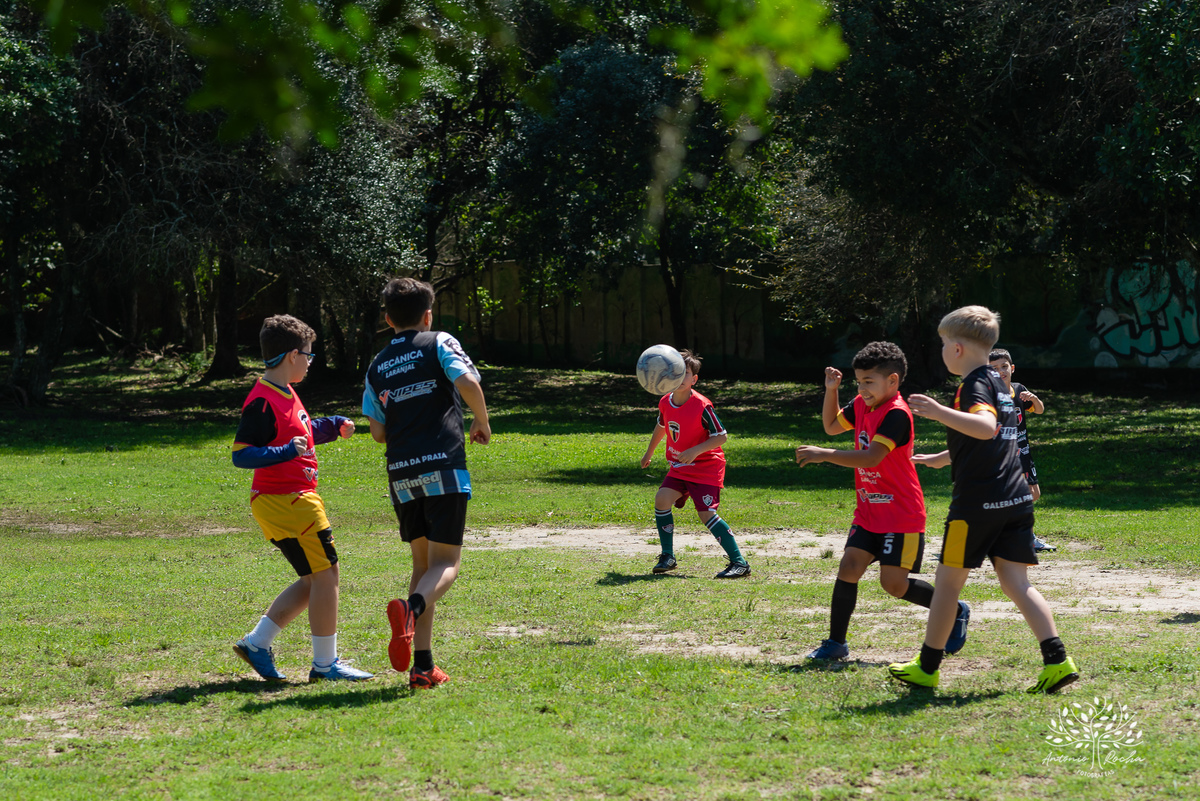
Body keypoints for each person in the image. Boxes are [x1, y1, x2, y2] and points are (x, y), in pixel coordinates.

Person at [895, 305, 1079, 693]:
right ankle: (1058, 661)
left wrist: (937, 411)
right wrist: (943, 457)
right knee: (1016, 582)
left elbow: (983, 427)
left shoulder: (975, 384)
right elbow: (995, 439)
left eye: (943, 343)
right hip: (1015, 499)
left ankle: (927, 667)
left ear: (958, 348)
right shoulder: (1001, 384)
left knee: (946, 586)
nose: (941, 350)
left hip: (977, 505)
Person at [795, 342, 969, 661]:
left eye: (869, 382)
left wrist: (824, 455)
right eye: (859, 382)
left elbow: (873, 458)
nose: (862, 389)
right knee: (848, 567)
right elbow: (832, 426)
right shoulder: (863, 404)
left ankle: (954, 608)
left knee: (893, 584)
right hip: (868, 511)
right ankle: (836, 643)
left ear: (893, 381)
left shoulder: (897, 415)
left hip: (901, 514)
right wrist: (831, 390)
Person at [363, 277, 491, 689]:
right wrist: (481, 419)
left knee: (423, 566)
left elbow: (378, 432)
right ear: (428, 315)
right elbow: (467, 382)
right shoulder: (438, 341)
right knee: (447, 564)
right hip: (443, 467)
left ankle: (423, 666)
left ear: (387, 319)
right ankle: (411, 607)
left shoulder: (377, 364)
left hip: (401, 474)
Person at [231, 314, 374, 683]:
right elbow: (242, 454)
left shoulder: (286, 392)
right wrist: (282, 452)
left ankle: (256, 644)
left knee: (314, 578)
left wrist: (332, 425)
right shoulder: (262, 400)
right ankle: (326, 665)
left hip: (284, 500)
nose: (311, 362)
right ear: (292, 355)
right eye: (309, 356)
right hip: (289, 499)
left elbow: (302, 431)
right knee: (328, 576)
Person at [639, 349, 750, 579]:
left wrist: (695, 450)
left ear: (694, 379)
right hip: (680, 466)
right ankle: (667, 556)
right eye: (675, 372)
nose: (679, 377)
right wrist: (648, 452)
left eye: (685, 373)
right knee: (662, 499)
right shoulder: (665, 401)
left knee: (706, 514)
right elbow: (661, 426)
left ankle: (740, 563)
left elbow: (721, 436)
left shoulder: (702, 405)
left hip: (706, 467)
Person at [989, 348, 1055, 552]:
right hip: (1003, 456)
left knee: (1033, 493)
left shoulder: (1019, 390)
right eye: (994, 368)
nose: (1001, 371)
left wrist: (1034, 399)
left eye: (1004, 366)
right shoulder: (989, 396)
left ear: (1012, 368)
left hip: (1023, 452)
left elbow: (1041, 409)